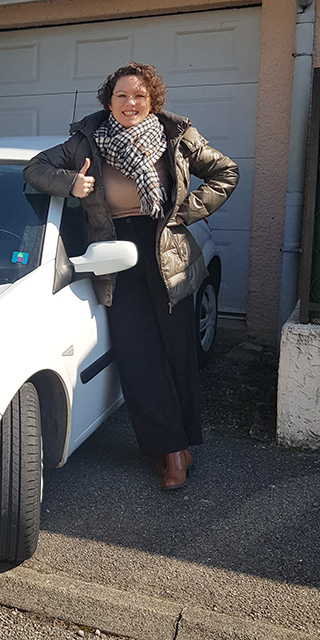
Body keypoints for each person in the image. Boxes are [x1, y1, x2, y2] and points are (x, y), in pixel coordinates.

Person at [23, 62, 238, 490]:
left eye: (139, 95)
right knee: (139, 358)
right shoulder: (87, 140)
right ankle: (171, 450)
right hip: (114, 256)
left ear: (152, 101)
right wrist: (71, 183)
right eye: (121, 95)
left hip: (167, 253)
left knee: (177, 354)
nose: (130, 103)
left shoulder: (176, 135)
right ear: (109, 101)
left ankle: (176, 447)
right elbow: (35, 169)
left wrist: (185, 212)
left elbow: (225, 172)